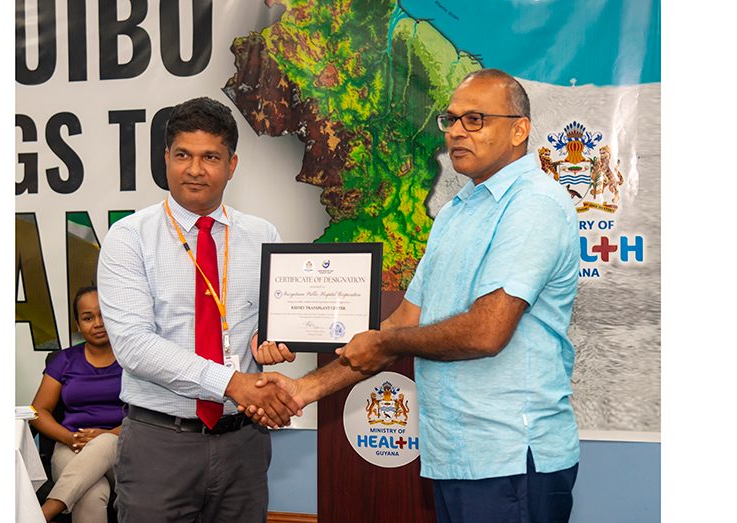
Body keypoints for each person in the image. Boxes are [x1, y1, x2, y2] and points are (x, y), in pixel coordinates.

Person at [251, 69, 582, 523]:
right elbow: (403, 322)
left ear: (519, 129)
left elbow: (487, 332)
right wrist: (303, 389)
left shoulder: (533, 205)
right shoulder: (455, 213)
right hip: (454, 455)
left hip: (510, 459)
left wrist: (384, 343)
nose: (457, 131)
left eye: (476, 119)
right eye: (451, 119)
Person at [97, 96, 301, 523]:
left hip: (243, 443)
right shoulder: (128, 238)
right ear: (166, 158)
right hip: (160, 444)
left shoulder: (264, 235)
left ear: (232, 164)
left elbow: (271, 324)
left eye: (210, 156)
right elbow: (134, 346)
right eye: (183, 155)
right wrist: (233, 383)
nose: (195, 169)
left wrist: (272, 341)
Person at [30, 286, 124, 523]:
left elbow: (145, 413)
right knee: (91, 493)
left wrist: (106, 434)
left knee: (105, 442)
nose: (98, 323)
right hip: (70, 445)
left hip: (122, 445)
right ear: (78, 325)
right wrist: (70, 438)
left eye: (104, 315)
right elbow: (38, 411)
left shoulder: (131, 360)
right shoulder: (64, 360)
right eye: (88, 317)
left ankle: (45, 512)